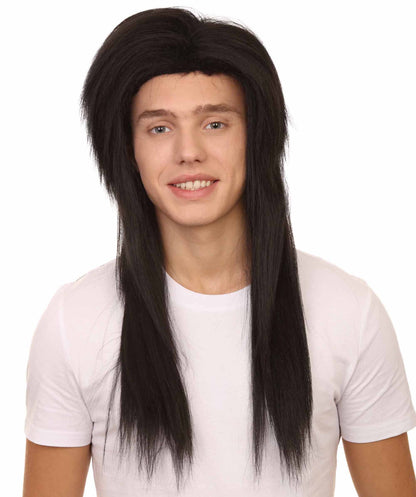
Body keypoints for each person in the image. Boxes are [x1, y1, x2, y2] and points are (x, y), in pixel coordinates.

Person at [23, 7, 416, 497]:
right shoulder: (75, 321)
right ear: (128, 150)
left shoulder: (348, 311)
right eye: (159, 128)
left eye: (215, 124)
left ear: (256, 138)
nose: (188, 152)